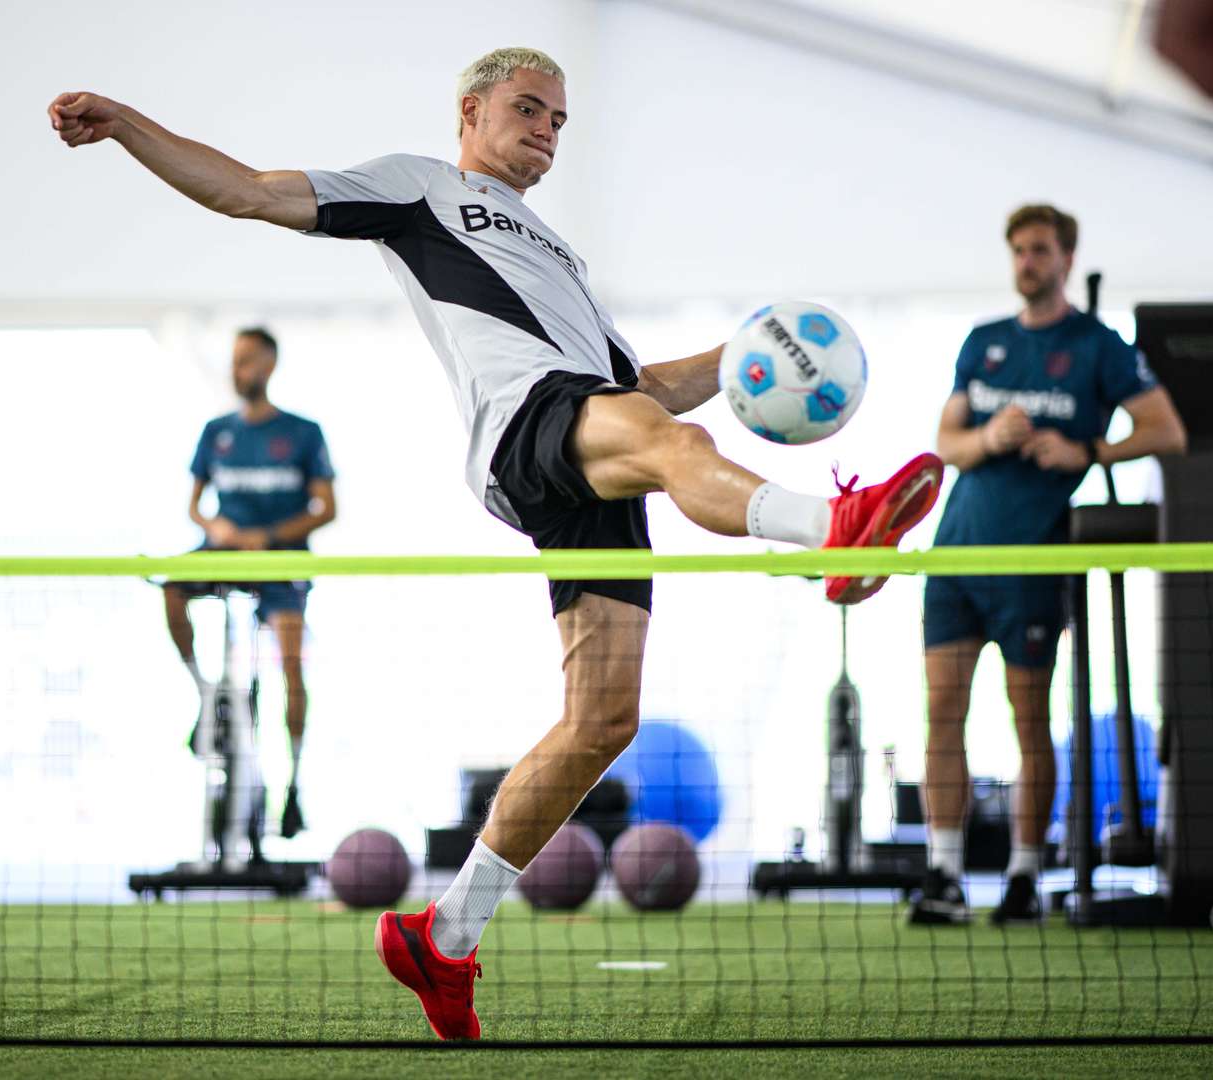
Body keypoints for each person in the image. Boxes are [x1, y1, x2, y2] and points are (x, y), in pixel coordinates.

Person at [48, 47, 943, 1040]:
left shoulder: (564, 260)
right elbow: (249, 190)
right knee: (673, 445)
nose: (549, 132)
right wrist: (128, 124)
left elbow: (638, 386)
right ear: (471, 111)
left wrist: (749, 355)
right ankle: (834, 533)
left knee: (602, 723)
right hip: (527, 428)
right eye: (530, 109)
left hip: (593, 430)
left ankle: (446, 937)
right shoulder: (421, 188)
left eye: (561, 120)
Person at [911, 204, 1186, 927]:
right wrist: (990, 435)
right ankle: (942, 875)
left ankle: (1026, 878)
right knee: (944, 715)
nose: (1026, 262)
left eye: (1039, 250)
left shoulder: (1098, 346)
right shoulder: (986, 342)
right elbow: (946, 443)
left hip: (1034, 561)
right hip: (957, 556)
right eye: (1018, 251)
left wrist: (1086, 452)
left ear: (1066, 258)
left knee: (1028, 721)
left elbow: (1166, 430)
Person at [163, 328, 335, 839]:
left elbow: (327, 508)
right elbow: (195, 506)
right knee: (172, 590)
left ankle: (294, 785)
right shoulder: (216, 432)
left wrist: (271, 536)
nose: (238, 371)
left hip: (281, 562)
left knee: (289, 668)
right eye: (233, 362)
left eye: (247, 361)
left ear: (269, 363)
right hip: (227, 550)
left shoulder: (303, 433)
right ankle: (207, 693)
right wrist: (221, 530)